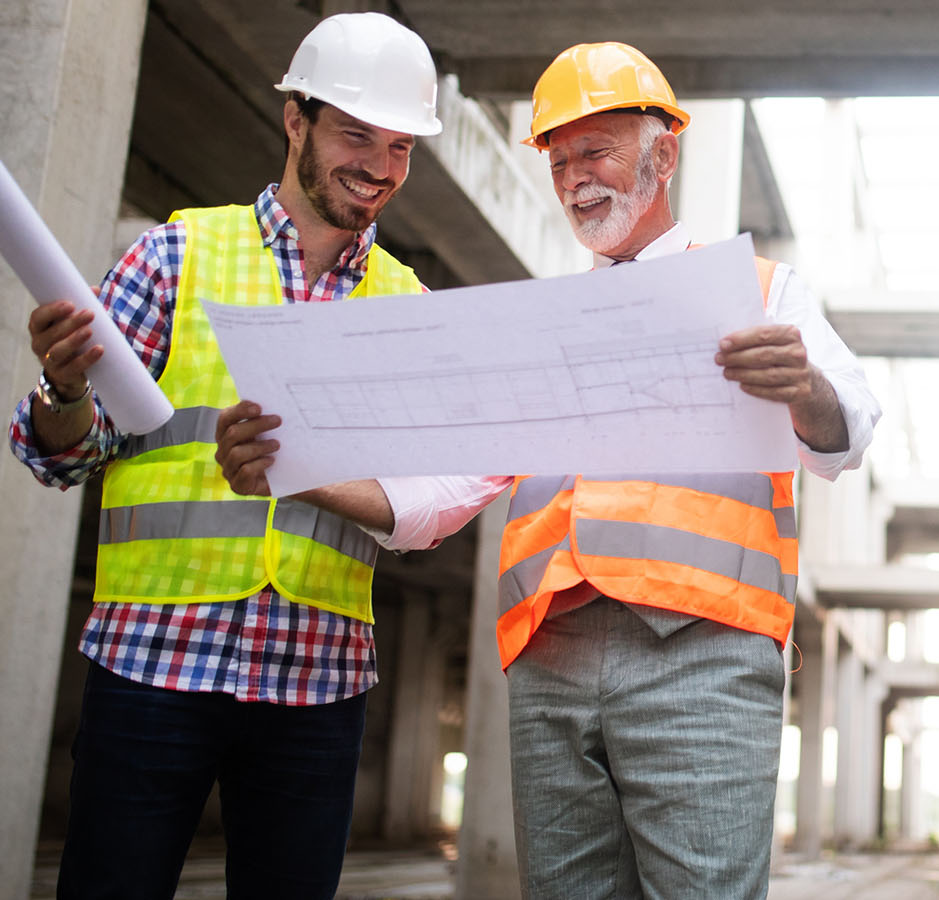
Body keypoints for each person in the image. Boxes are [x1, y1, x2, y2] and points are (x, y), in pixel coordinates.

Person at [217, 39, 880, 900]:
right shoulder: (538, 321)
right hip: (548, 661)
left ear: (664, 153)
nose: (576, 180)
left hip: (702, 653)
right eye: (560, 162)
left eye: (595, 152)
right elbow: (443, 494)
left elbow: (851, 432)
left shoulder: (760, 291)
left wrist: (805, 389)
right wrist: (299, 474)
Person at [10, 13, 448, 898]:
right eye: (355, 133)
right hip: (153, 665)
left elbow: (423, 509)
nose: (378, 166)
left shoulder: (407, 305)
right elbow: (57, 457)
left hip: (317, 682)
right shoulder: (176, 256)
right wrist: (66, 394)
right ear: (297, 121)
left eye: (400, 146)